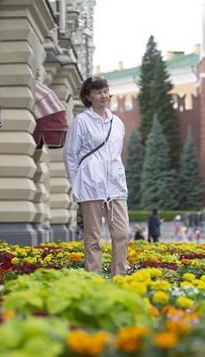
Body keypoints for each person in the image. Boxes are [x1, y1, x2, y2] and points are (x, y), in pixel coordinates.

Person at [63, 76, 128, 276]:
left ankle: (119, 277)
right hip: (90, 186)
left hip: (115, 187)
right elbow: (70, 156)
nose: (103, 95)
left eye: (106, 91)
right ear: (88, 96)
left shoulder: (117, 123)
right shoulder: (81, 121)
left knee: (122, 233)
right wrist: (77, 184)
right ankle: (94, 279)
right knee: (92, 238)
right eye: (98, 92)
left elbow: (116, 154)